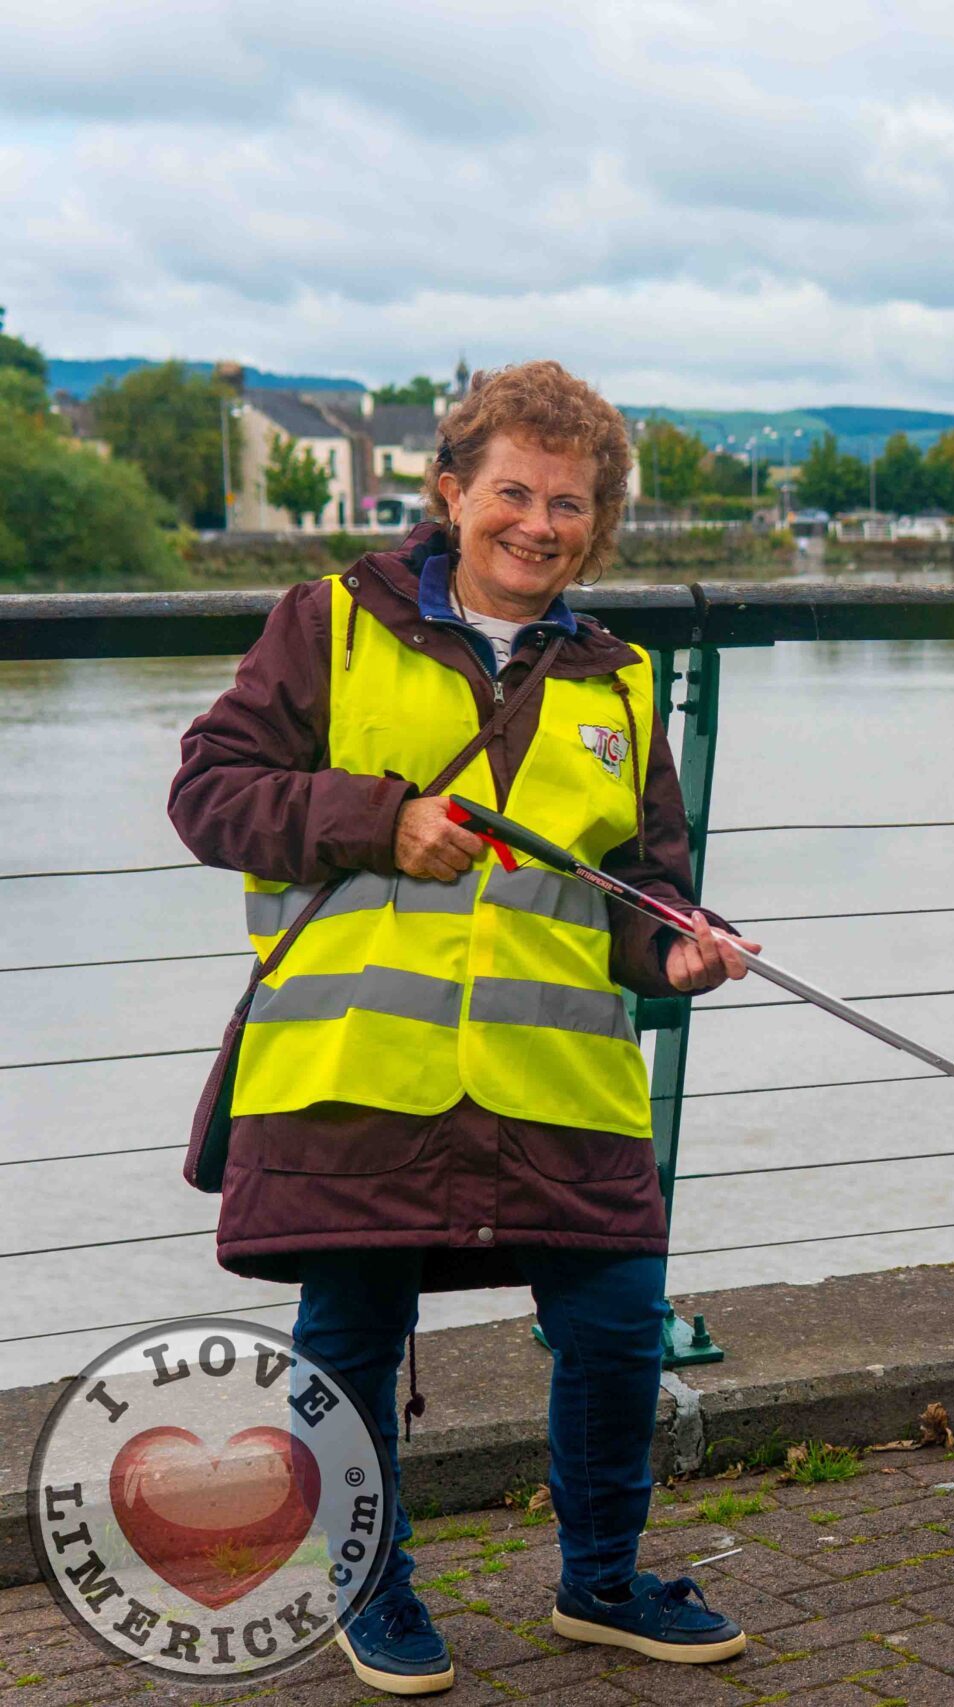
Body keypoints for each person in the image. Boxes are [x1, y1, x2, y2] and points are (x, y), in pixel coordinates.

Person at [169, 362, 758, 1691]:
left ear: (596, 523)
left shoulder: (620, 680)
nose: (539, 524)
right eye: (513, 492)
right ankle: (368, 1588)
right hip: (357, 1069)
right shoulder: (326, 622)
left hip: (560, 1074)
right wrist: (375, 819)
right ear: (450, 491)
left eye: (570, 503)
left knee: (616, 1321)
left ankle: (602, 1585)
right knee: (350, 1337)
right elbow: (209, 795)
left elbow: (635, 884)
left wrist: (677, 946)